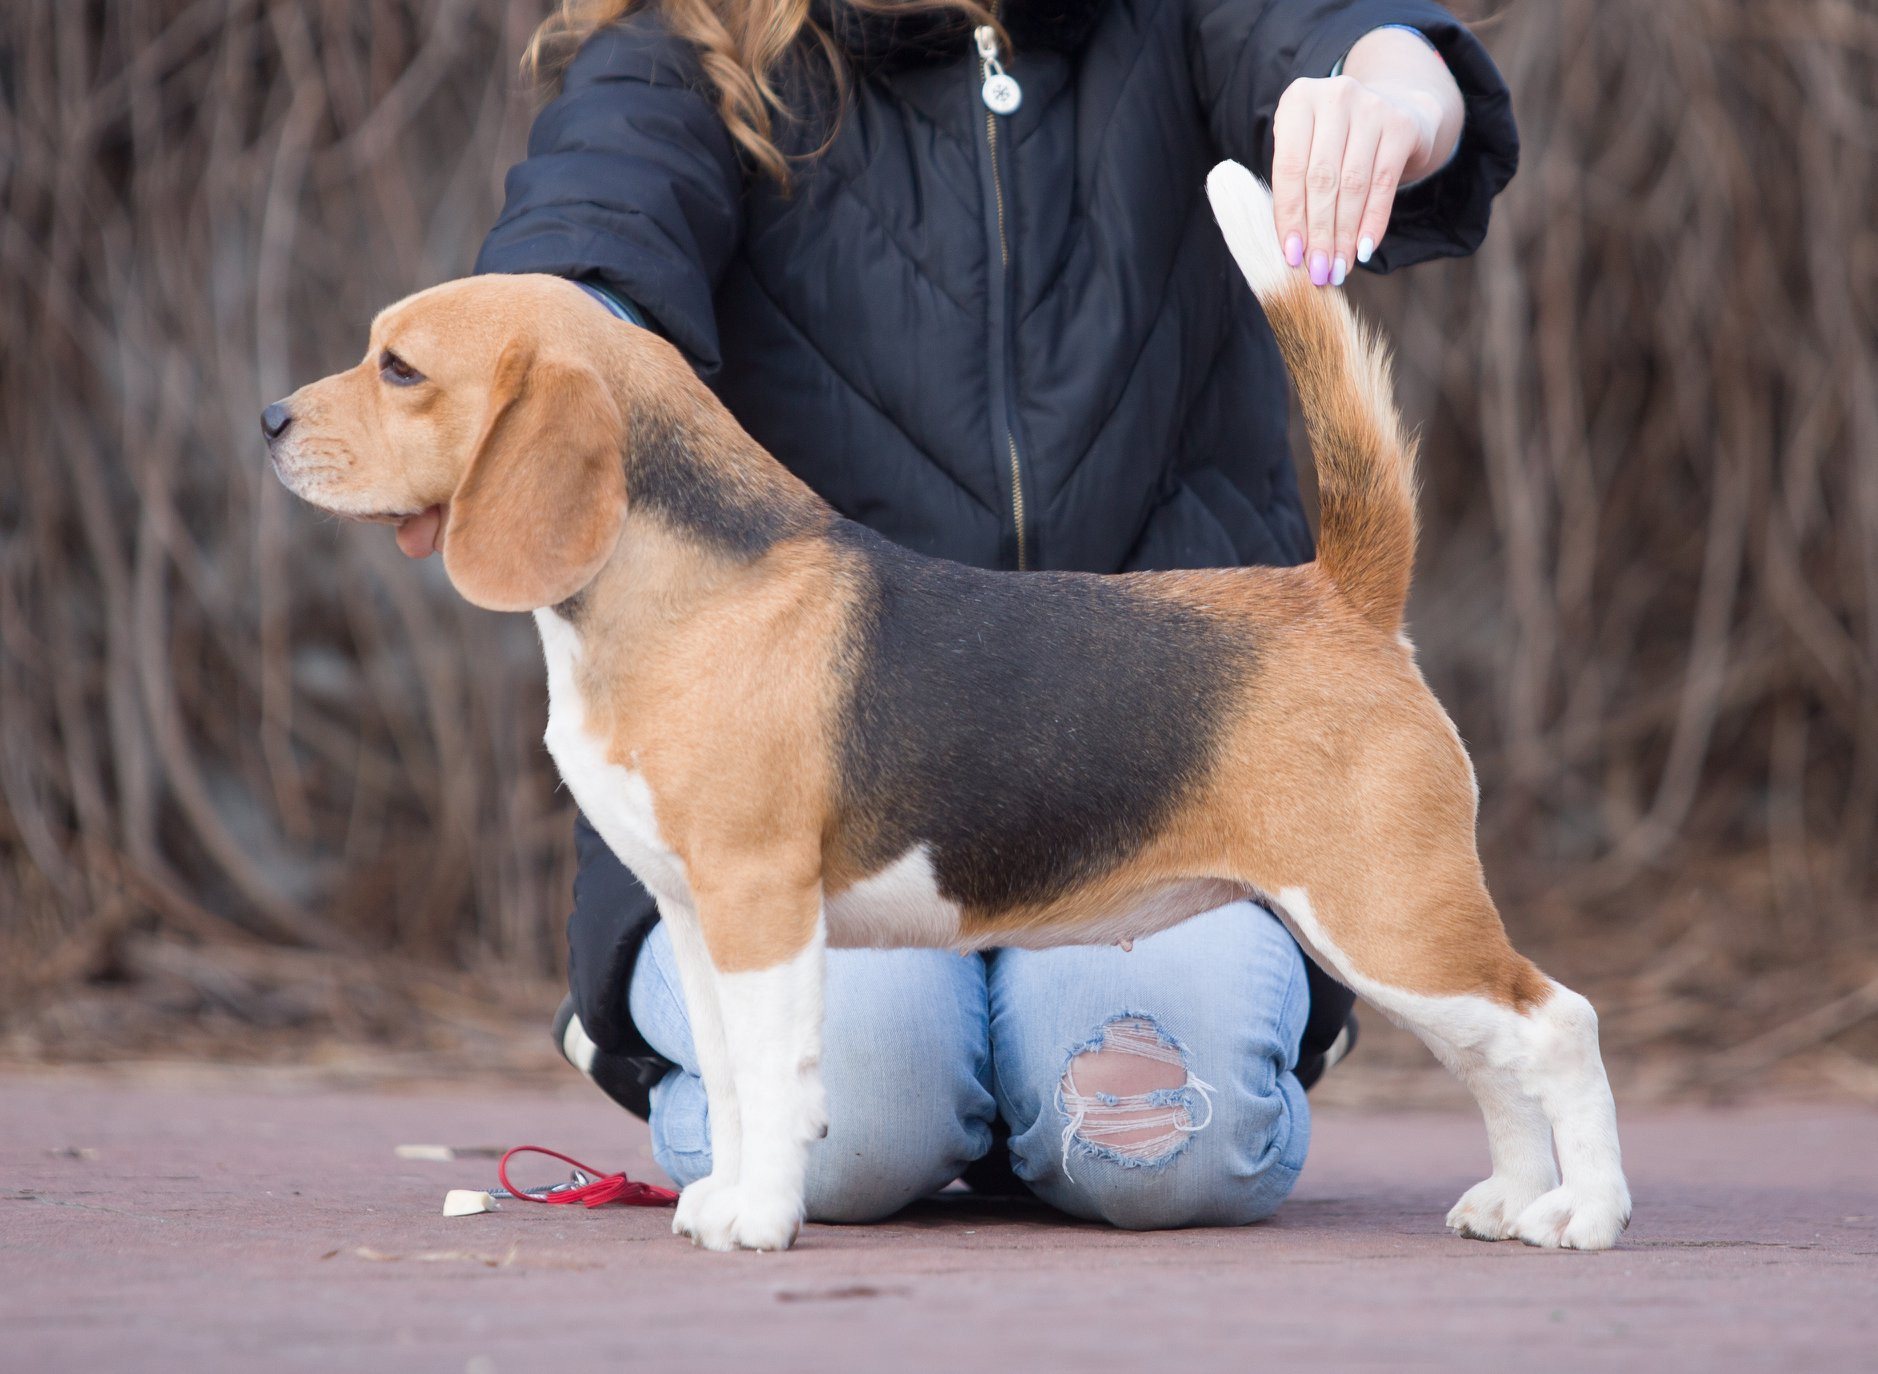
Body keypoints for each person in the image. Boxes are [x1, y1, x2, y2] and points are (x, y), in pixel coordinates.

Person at [460, 0, 1517, 1229]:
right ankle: (923, 1109)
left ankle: (1037, 1103)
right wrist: (542, 378)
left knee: (1152, 1139)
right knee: (851, 1136)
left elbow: (1346, 34)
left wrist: (1389, 100)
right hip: (796, 801)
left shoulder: (1172, 22)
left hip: (1164, 766)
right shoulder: (685, 46)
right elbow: (587, 237)